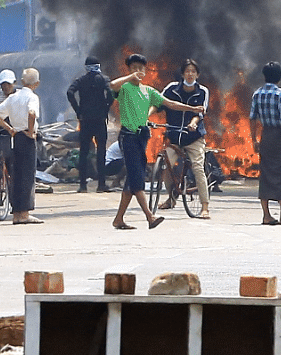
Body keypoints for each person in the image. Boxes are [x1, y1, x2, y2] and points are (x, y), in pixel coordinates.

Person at [109, 53, 203, 229]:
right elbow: (112, 85)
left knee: (132, 179)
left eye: (140, 68)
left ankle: (118, 219)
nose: (138, 71)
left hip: (142, 137)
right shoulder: (125, 89)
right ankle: (150, 216)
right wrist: (130, 77)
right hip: (128, 136)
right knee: (136, 178)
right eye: (134, 68)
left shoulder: (149, 91)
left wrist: (192, 108)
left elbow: (171, 104)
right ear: (129, 70)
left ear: (145, 70)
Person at [0, 68, 44, 225]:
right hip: (26, 137)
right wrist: (31, 132)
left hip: (15, 137)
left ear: (23, 81)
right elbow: (32, 113)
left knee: (16, 176)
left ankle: (16, 213)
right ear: (37, 83)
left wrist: (9, 129)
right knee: (27, 176)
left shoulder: (13, 97)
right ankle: (24, 213)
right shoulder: (32, 97)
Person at [250, 61, 281, 226]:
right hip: (278, 136)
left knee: (265, 173)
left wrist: (254, 140)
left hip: (265, 135)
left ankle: (266, 215)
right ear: (279, 77)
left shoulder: (257, 94)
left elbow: (253, 119)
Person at [160, 59, 212, 219]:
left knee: (197, 168)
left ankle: (205, 207)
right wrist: (147, 114)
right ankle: (171, 198)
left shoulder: (202, 91)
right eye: (187, 71)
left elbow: (200, 113)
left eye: (193, 71)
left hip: (194, 138)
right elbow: (159, 102)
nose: (190, 74)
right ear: (182, 73)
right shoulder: (171, 89)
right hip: (175, 136)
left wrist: (193, 123)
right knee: (165, 165)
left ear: (197, 74)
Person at [67, 55, 114, 193]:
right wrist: (106, 107)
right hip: (100, 120)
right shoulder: (103, 79)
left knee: (84, 152)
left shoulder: (81, 80)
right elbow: (111, 92)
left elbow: (70, 92)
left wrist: (78, 110)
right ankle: (101, 185)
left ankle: (82, 185)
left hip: (85, 120)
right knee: (101, 153)